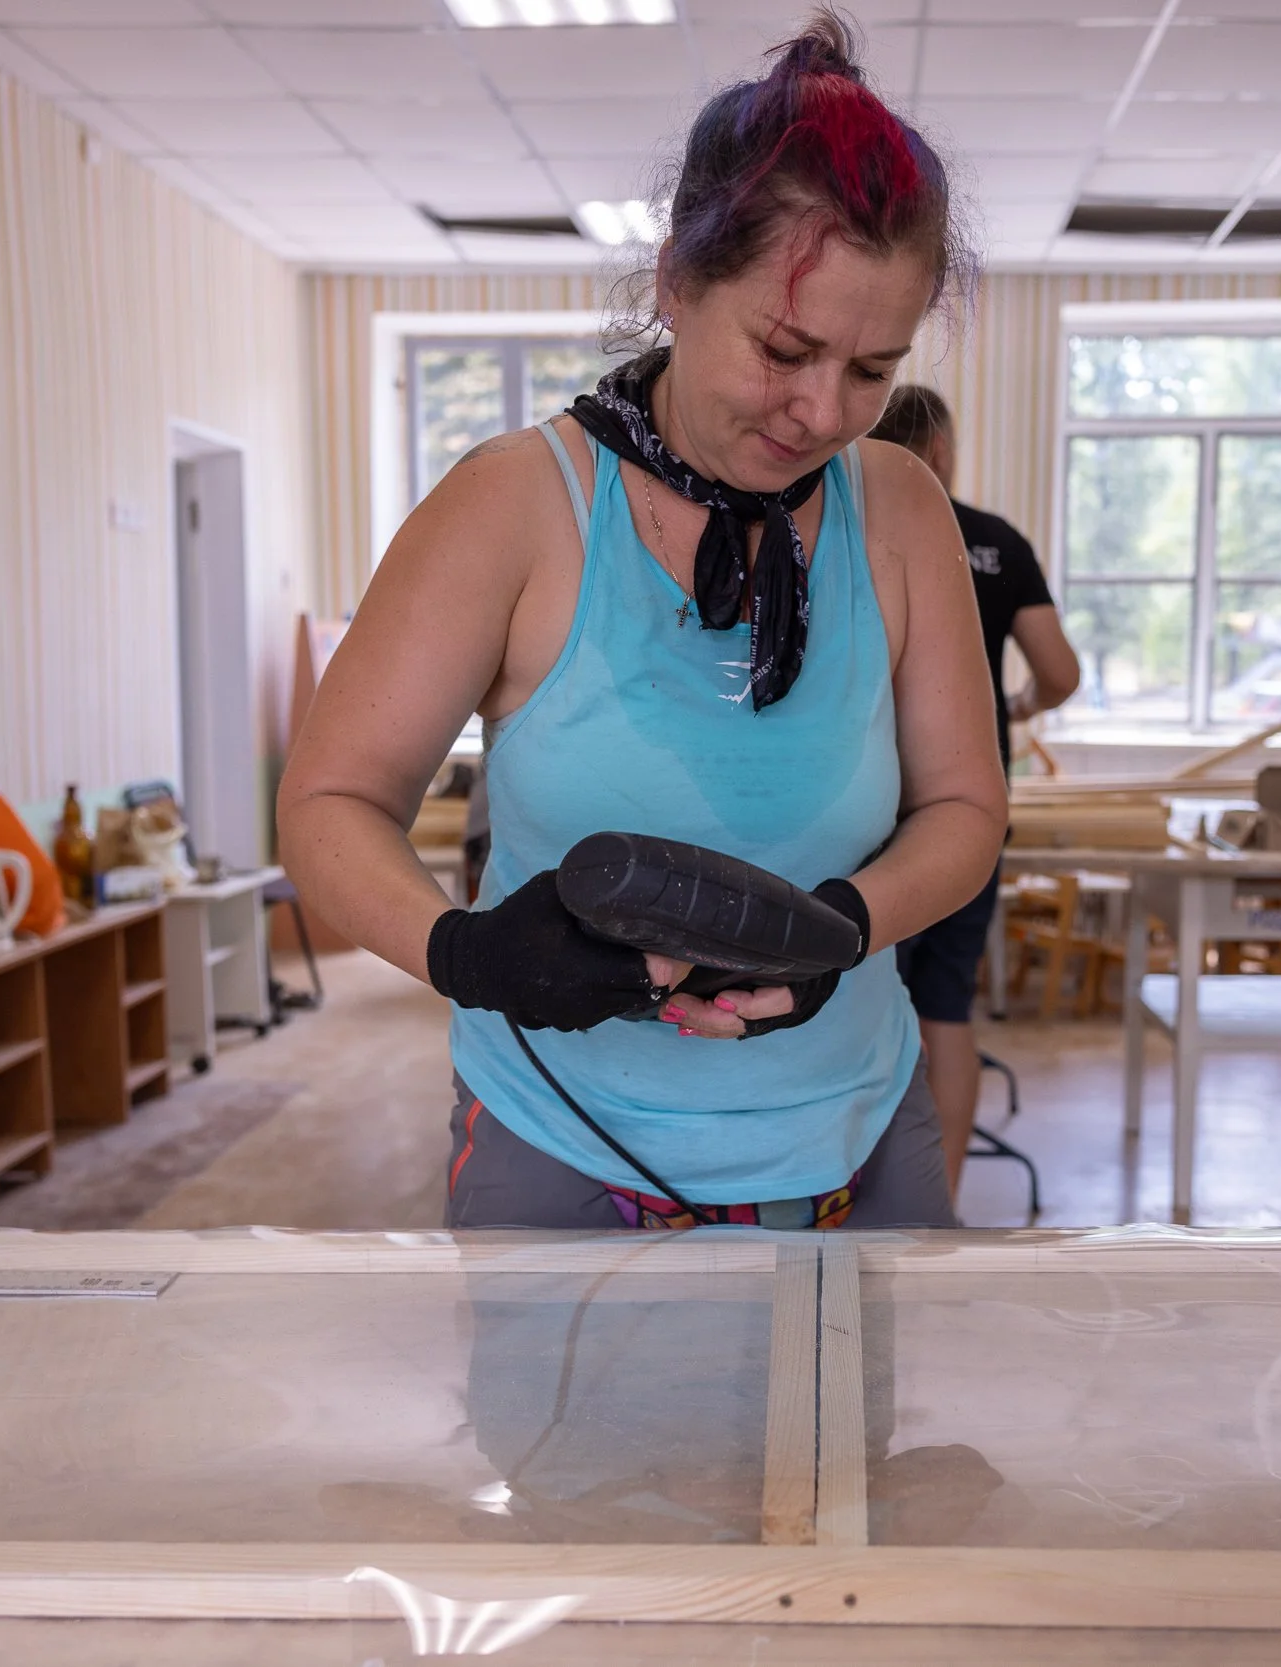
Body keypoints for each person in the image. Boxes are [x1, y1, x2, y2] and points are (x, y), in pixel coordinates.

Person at [277, 13, 1004, 1231]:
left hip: (855, 1125)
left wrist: (845, 927)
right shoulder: (515, 505)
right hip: (565, 1130)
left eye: (873, 370)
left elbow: (966, 809)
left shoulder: (898, 509)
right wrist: (467, 953)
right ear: (676, 281)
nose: (823, 412)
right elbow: (329, 802)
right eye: (785, 348)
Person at [868, 386, 1078, 1196]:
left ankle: (857, 1197)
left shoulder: (843, 528)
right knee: (946, 1008)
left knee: (853, 1008)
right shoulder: (995, 541)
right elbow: (1060, 673)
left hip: (867, 812)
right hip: (965, 810)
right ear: (943, 451)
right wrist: (1015, 707)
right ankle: (938, 1202)